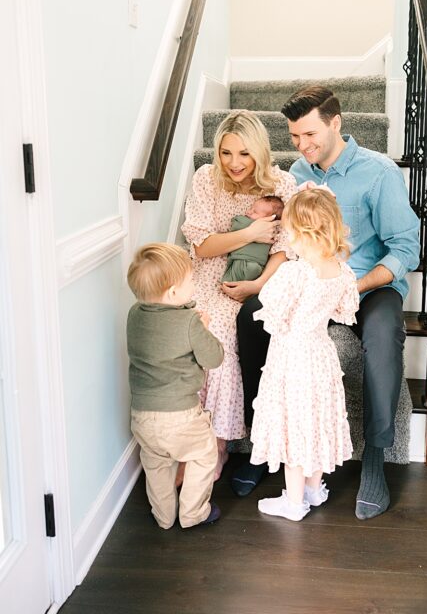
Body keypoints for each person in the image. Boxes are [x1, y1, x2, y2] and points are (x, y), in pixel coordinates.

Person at [234, 86, 420, 521]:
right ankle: (254, 444)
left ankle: (375, 458)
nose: (301, 145)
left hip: (369, 286)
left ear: (336, 122)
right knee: (249, 317)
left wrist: (352, 287)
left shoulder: (380, 173)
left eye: (310, 134)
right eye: (295, 136)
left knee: (383, 334)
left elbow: (405, 248)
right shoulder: (298, 172)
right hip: (311, 285)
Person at [181, 110, 298, 478]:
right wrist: (249, 234)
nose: (234, 163)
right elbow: (201, 245)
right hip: (206, 273)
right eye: (226, 153)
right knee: (189, 332)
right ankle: (188, 442)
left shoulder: (282, 184)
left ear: (260, 153)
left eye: (244, 154)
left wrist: (259, 285)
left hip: (261, 276)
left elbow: (286, 246)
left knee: (221, 336)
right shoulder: (206, 179)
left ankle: (218, 444)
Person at [248, 189, 360, 522]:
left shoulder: (295, 273)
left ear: (301, 232)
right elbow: (344, 311)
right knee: (313, 420)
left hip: (292, 358)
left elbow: (273, 314)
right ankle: (313, 488)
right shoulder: (341, 271)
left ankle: (294, 502)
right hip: (321, 355)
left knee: (294, 424)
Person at [125, 243, 224, 529]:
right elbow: (214, 358)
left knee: (156, 463)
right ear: (172, 292)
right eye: (191, 281)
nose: (194, 284)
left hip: (142, 414)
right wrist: (203, 328)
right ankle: (193, 513)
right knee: (204, 455)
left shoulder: (134, 314)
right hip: (181, 415)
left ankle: (164, 516)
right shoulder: (190, 322)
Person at [221, 195, 285, 283]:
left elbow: (236, 224)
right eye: (251, 208)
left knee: (229, 280)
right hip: (259, 266)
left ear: (268, 219)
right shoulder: (273, 232)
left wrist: (236, 219)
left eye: (254, 211)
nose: (248, 212)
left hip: (243, 260)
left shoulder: (246, 223)